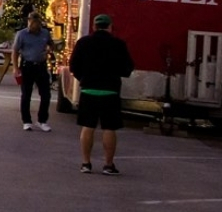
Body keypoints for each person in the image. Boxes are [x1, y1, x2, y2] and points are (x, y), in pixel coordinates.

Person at [70, 13, 134, 175]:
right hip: (110, 91)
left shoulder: (83, 43)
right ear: (110, 27)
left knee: (88, 127)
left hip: (88, 89)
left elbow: (74, 66)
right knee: (109, 128)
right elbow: (127, 68)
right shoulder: (118, 44)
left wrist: (83, 78)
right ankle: (108, 164)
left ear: (94, 26)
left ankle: (86, 163)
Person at [10, 12, 56, 132]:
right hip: (27, 65)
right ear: (28, 21)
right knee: (26, 94)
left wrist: (50, 49)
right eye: (31, 21)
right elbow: (15, 51)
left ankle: (42, 120)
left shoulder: (45, 33)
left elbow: (51, 44)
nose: (33, 24)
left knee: (46, 95)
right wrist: (15, 68)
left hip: (41, 65)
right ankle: (26, 121)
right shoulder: (22, 34)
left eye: (36, 22)